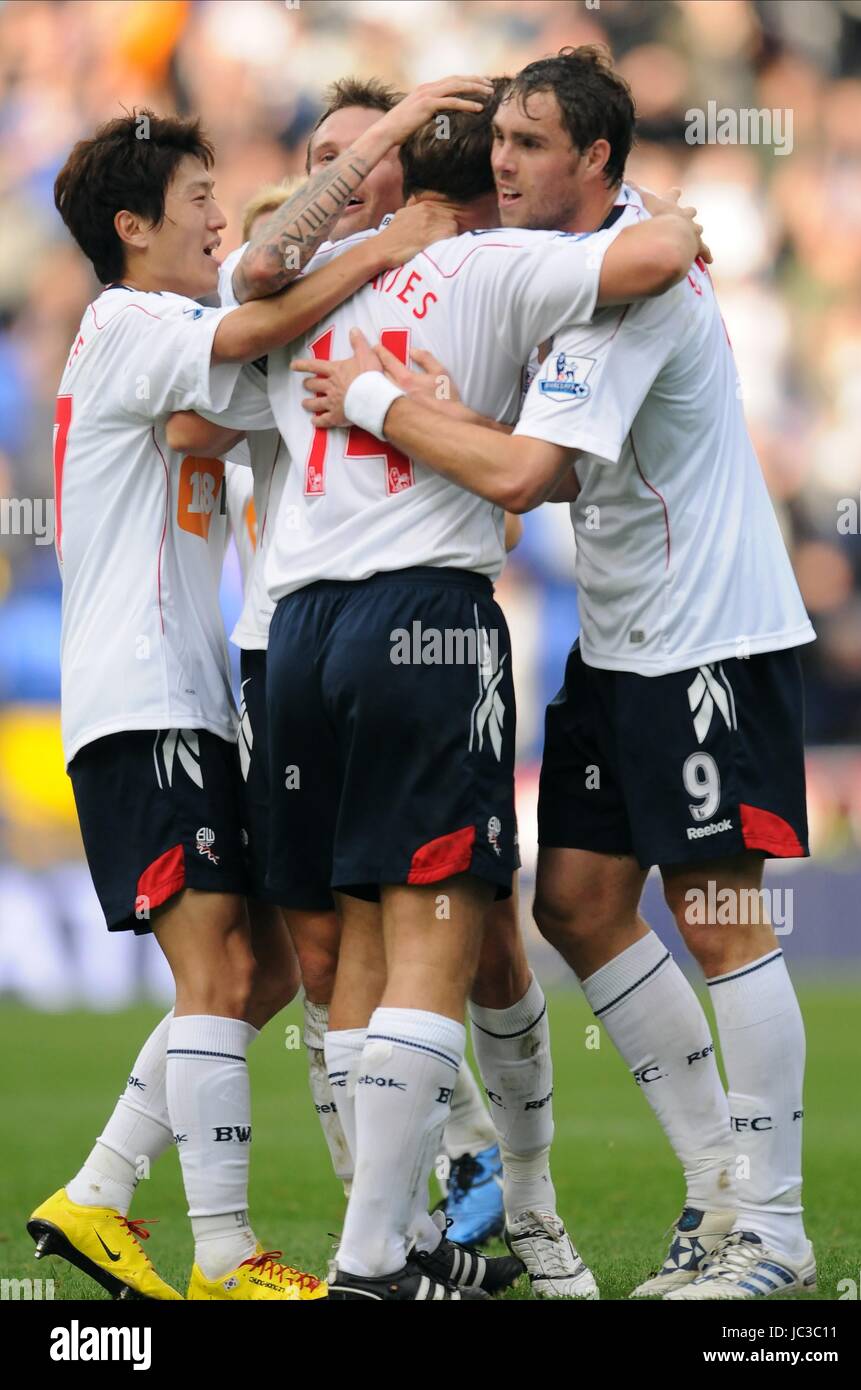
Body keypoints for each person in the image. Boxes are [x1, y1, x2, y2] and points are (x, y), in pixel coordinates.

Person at [302, 46, 817, 1303]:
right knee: (577, 902)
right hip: (622, 639)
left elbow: (528, 480)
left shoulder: (629, 289)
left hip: (707, 636)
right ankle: (716, 1191)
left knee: (719, 917)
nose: (503, 160)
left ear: (593, 159)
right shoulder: (589, 266)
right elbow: (565, 463)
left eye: (531, 144)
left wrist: (374, 396)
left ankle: (774, 1229)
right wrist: (445, 412)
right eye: (501, 140)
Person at [178, 83, 703, 1298]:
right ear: (490, 180)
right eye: (511, 150)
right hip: (423, 617)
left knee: (354, 944)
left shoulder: (326, 268)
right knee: (440, 938)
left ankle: (403, 1236)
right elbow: (660, 254)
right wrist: (665, 206)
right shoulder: (506, 261)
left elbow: (253, 268)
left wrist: (382, 137)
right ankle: (376, 1256)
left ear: (395, 174)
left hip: (295, 629)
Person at [29, 74, 491, 1302]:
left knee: (273, 966)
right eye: (198, 199)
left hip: (191, 697)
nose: (219, 221)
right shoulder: (132, 324)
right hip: (144, 699)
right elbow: (248, 331)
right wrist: (387, 213)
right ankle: (228, 1255)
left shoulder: (159, 347)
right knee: (219, 979)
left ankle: (97, 1193)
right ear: (133, 226)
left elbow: (257, 369)